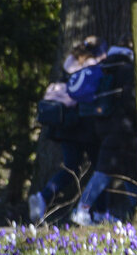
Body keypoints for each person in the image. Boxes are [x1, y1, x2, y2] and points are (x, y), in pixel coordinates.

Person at [29, 37, 105, 223]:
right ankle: (101, 212)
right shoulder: (93, 68)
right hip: (84, 125)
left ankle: (43, 196)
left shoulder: (68, 66)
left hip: (63, 127)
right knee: (101, 167)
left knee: (71, 166)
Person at [69, 41, 137, 225]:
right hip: (123, 128)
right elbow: (130, 102)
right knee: (104, 172)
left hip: (103, 126)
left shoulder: (104, 70)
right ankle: (82, 210)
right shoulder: (127, 70)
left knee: (129, 171)